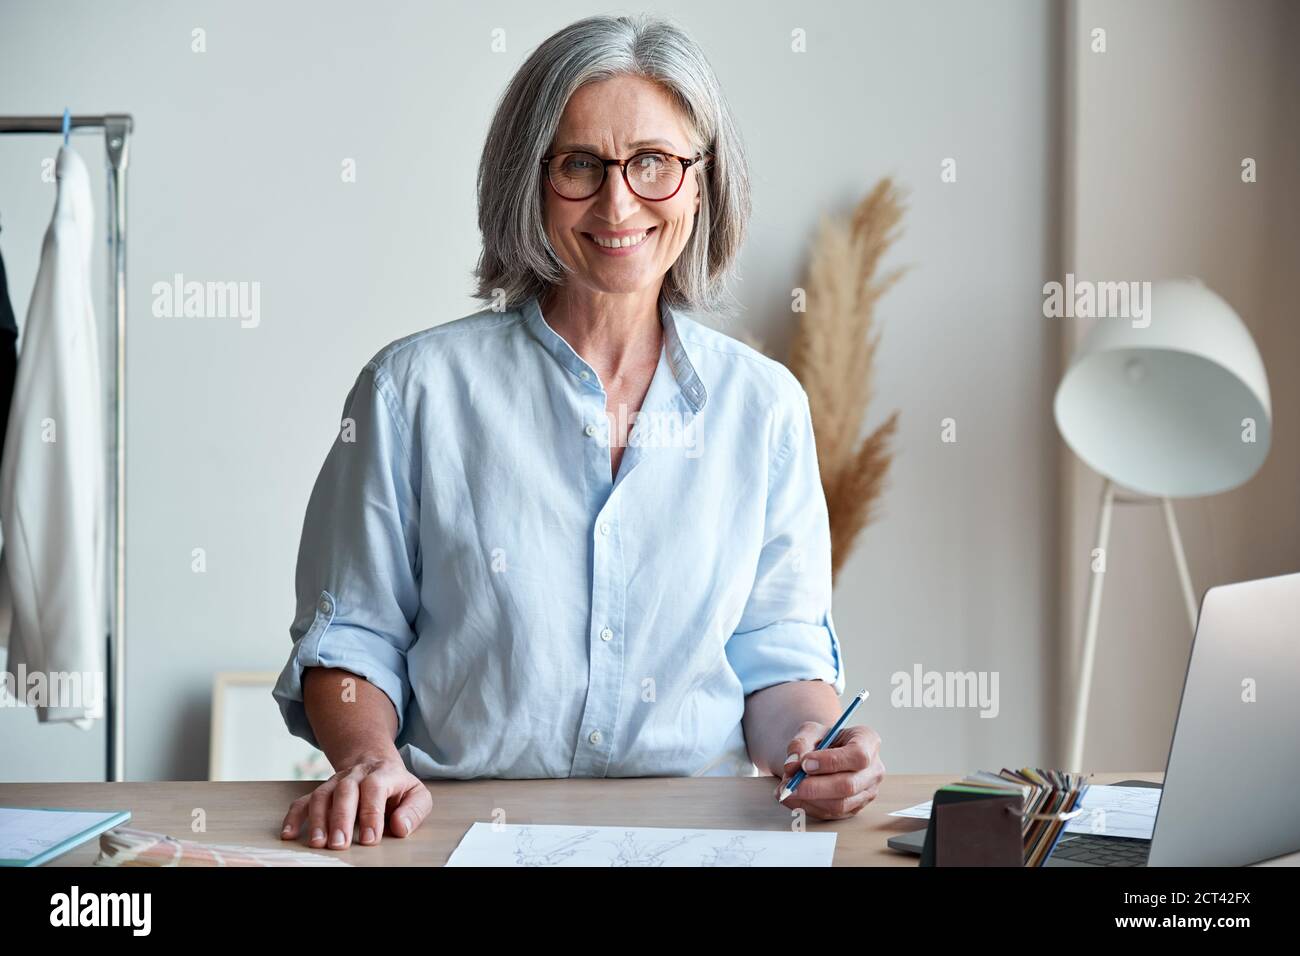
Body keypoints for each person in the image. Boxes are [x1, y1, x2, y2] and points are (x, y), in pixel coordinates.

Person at [274, 14, 884, 852]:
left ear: (701, 183)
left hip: (699, 843)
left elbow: (778, 659)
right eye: (578, 165)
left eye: (653, 163)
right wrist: (367, 759)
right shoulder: (410, 391)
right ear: (530, 181)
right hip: (450, 835)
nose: (617, 200)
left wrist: (813, 748)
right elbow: (352, 639)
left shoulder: (764, 407)